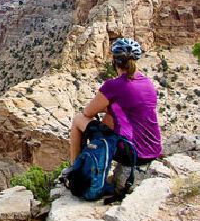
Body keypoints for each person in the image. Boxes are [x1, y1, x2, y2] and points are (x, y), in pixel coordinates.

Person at [68, 38, 163, 187]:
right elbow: (129, 108)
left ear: (115, 62)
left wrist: (104, 104)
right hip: (153, 150)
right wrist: (109, 108)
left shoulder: (113, 86)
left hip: (133, 154)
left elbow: (88, 112)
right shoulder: (148, 83)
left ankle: (74, 170)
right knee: (111, 115)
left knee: (78, 119)